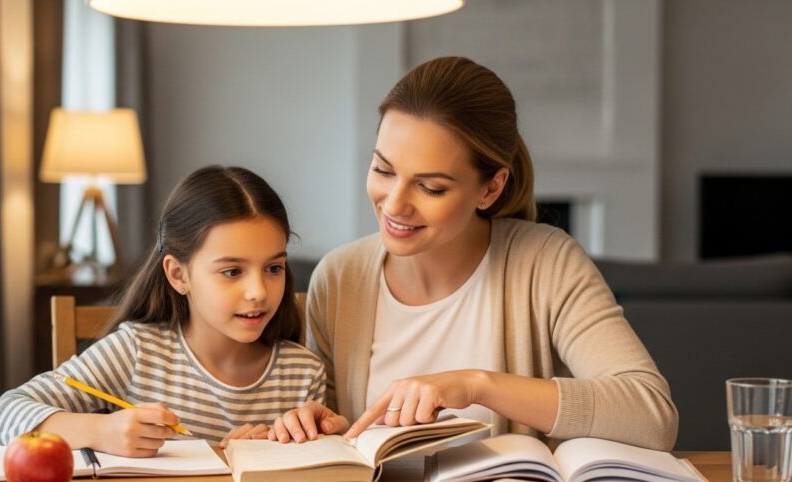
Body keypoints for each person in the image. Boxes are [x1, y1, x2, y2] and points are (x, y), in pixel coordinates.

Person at [269, 56, 678, 451]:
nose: (394, 205)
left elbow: (651, 415)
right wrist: (316, 425)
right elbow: (341, 433)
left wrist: (477, 385)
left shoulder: (546, 263)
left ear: (490, 189)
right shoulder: (340, 277)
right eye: (383, 170)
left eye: (431, 187)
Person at [0, 165, 327, 456]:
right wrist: (100, 430)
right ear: (179, 275)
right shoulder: (136, 352)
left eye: (273, 268)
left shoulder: (303, 375)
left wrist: (268, 452)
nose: (258, 292)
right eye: (232, 272)